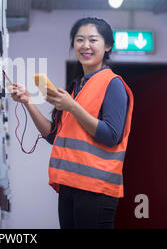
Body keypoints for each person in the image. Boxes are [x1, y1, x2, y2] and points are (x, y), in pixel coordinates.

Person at [10, 17, 134, 229]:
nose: (85, 45)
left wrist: (72, 106)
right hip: (70, 185)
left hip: (96, 189)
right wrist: (28, 102)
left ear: (108, 46)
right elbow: (53, 135)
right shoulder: (78, 87)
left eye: (93, 40)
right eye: (79, 40)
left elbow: (111, 136)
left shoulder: (113, 84)